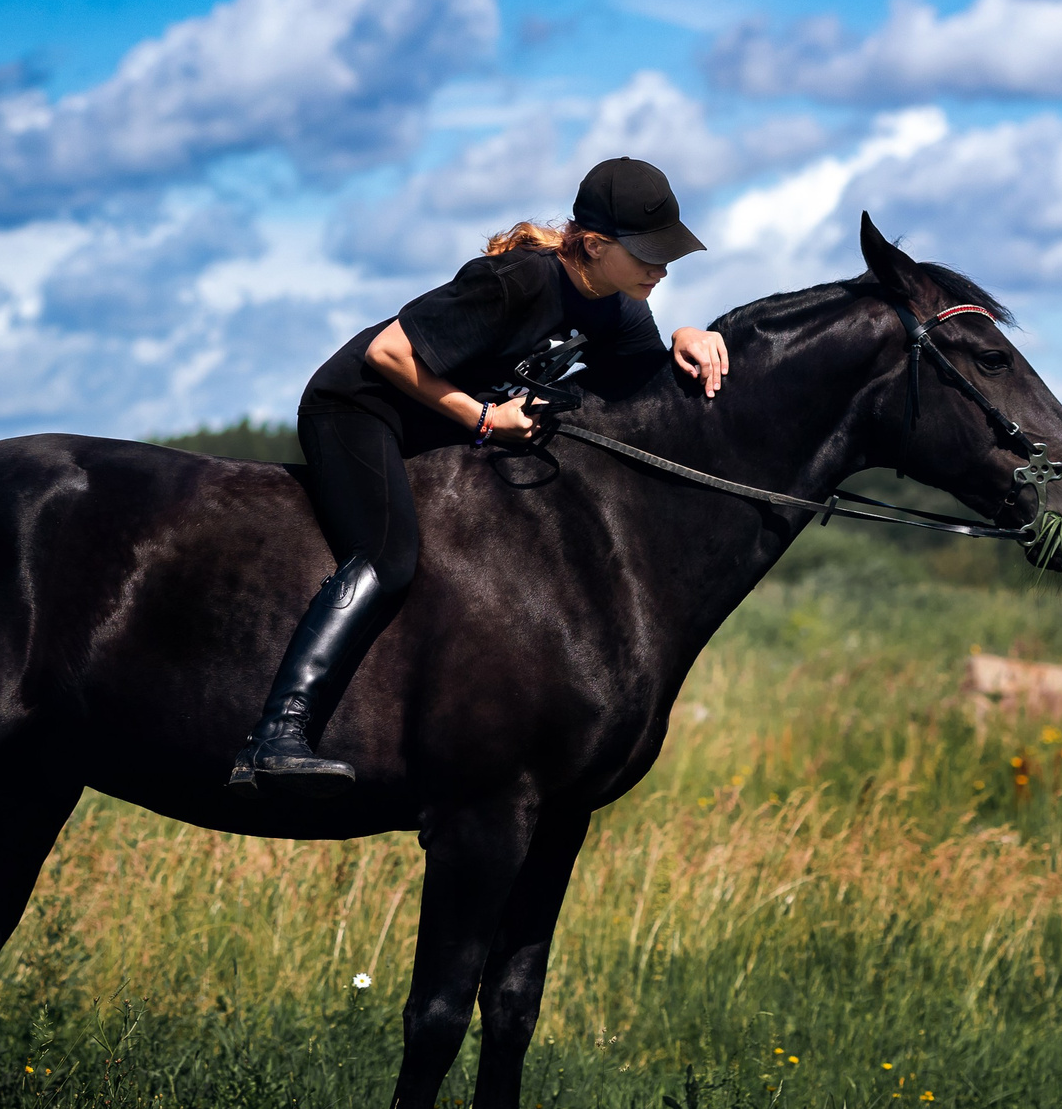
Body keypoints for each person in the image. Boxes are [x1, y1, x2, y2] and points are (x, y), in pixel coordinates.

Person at [227, 157, 733, 796]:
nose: (664, 268)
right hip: (360, 407)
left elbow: (648, 378)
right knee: (388, 557)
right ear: (597, 246)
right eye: (651, 254)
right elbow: (389, 353)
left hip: (438, 424)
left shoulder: (619, 310)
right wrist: (488, 419)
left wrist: (692, 333)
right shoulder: (517, 280)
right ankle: (275, 736)